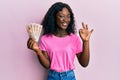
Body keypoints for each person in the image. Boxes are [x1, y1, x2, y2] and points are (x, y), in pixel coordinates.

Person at [27, 2, 93, 80]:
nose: (65, 20)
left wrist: (86, 42)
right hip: (52, 76)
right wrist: (38, 51)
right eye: (61, 16)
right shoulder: (45, 39)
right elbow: (47, 65)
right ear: (54, 18)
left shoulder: (74, 39)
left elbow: (84, 63)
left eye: (68, 16)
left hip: (69, 77)